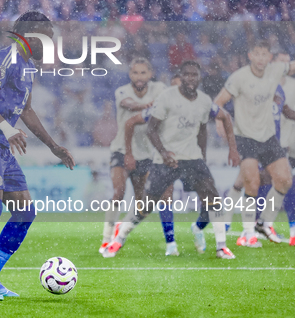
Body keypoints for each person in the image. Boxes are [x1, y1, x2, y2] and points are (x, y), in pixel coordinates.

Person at [0, 11, 75, 301]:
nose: (49, 43)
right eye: (45, 37)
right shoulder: (7, 58)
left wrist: (53, 146)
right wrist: (7, 128)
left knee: (25, 211)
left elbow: (27, 110)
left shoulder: (29, 67)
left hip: (1, 143)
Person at [103, 61, 240, 260]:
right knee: (146, 205)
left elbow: (225, 117)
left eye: (195, 75)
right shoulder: (166, 97)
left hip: (192, 158)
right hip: (166, 160)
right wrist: (164, 152)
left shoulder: (203, 100)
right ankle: (119, 238)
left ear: (199, 78)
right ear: (181, 77)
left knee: (214, 201)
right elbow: (151, 129)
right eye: (187, 75)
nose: (191, 78)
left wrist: (232, 149)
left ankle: (221, 247)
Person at [214, 41, 295, 244]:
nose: (260, 58)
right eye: (257, 54)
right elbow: (218, 102)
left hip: (268, 137)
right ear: (250, 55)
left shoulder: (276, 71)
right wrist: (220, 124)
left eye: (264, 54)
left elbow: (291, 66)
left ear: (269, 57)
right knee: (252, 182)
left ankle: (264, 223)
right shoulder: (239, 77)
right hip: (245, 137)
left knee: (284, 180)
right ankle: (247, 233)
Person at [102, 58, 166, 254]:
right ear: (130, 75)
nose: (139, 77)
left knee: (144, 203)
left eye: (143, 73)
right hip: (121, 150)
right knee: (118, 192)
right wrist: (151, 105)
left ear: (150, 74)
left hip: (146, 153)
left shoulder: (159, 88)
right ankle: (106, 239)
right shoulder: (122, 91)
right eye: (135, 73)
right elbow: (129, 105)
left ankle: (123, 230)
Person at [122, 74, 180, 256]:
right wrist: (129, 152)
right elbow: (130, 122)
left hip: (190, 157)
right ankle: (171, 243)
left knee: (208, 195)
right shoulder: (162, 106)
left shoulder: (196, 105)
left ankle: (201, 230)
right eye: (175, 86)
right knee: (161, 197)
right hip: (164, 157)